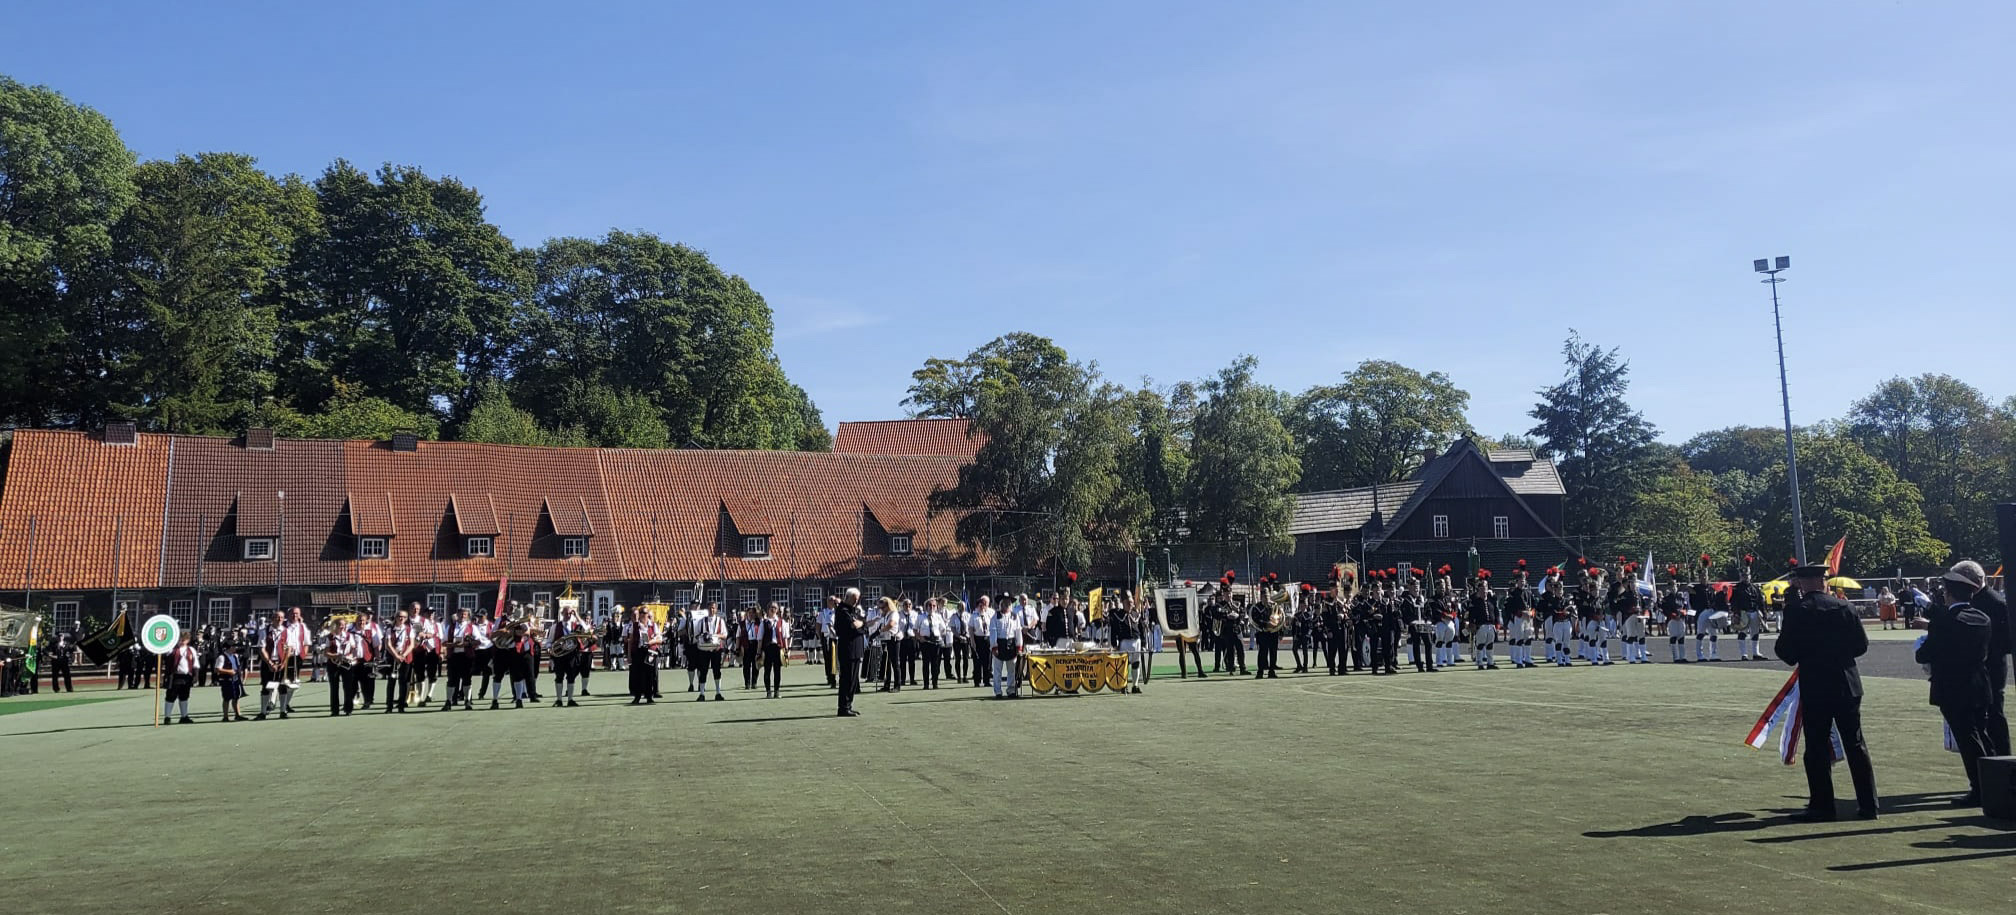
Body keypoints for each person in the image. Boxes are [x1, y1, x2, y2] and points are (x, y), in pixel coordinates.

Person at [1775, 562, 1878, 821]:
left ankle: (1822, 805)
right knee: (1856, 744)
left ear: (1801, 582)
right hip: (1847, 682)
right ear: (1825, 580)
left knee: (1817, 746)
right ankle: (1868, 804)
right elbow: (1861, 646)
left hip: (1816, 683)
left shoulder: (1797, 611)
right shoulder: (1846, 607)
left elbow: (1785, 651)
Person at [1916, 574, 1994, 806]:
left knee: (1967, 738)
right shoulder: (1982, 617)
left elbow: (1925, 654)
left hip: (1953, 686)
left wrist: (1921, 645)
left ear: (1948, 594)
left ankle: (1979, 788)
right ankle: (1992, 782)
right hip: (1979, 684)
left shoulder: (1945, 621)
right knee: (1981, 735)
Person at [1939, 560, 2009, 756]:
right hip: (1974, 671)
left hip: (1990, 669)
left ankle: (2003, 764)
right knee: (1978, 723)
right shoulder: (1975, 600)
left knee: (1994, 717)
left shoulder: (1995, 603)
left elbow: (2004, 642)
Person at [834, 588, 866, 717]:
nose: (856, 601)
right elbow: (853, 625)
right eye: (854, 598)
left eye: (857, 598)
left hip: (855, 649)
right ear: (847, 597)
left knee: (853, 680)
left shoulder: (852, 611)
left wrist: (861, 624)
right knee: (846, 678)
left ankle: (848, 705)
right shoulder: (843, 610)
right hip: (847, 649)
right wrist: (861, 624)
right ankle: (843, 707)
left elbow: (861, 626)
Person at [445, 609, 485, 710]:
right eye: (461, 614)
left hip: (466, 656)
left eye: (465, 614)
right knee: (451, 679)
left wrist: (467, 644)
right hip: (453, 656)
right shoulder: (450, 627)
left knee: (467, 679)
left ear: (467, 616)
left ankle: (467, 701)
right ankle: (448, 701)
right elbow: (444, 642)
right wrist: (453, 644)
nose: (462, 616)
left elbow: (478, 641)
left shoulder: (472, 627)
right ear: (457, 615)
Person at [989, 594, 1024, 699]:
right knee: (997, 671)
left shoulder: (1014, 616)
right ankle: (998, 691)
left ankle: (1011, 690)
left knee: (1011, 670)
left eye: (1008, 602)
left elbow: (1018, 631)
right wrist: (994, 647)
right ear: (1000, 604)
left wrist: (1019, 646)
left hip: (1011, 644)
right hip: (1000, 644)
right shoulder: (995, 617)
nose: (1007, 604)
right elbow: (993, 632)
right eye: (1004, 602)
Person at [623, 607, 659, 705]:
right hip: (638, 652)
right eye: (641, 613)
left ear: (648, 615)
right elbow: (630, 641)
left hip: (650, 652)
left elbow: (659, 639)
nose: (642, 615)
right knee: (637, 675)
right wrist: (629, 655)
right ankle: (637, 696)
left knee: (650, 675)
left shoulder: (653, 625)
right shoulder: (634, 625)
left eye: (645, 613)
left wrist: (651, 641)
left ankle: (649, 696)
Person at [162, 632, 200, 725]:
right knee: (171, 696)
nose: (182, 641)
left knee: (184, 697)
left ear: (188, 640)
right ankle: (167, 717)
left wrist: (196, 676)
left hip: (187, 677)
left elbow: (196, 664)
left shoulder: (191, 650)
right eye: (181, 639)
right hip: (174, 676)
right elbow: (164, 656)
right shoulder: (172, 650)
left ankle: (184, 716)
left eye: (184, 639)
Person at [214, 639, 246, 722]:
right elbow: (217, 669)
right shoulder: (221, 657)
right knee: (227, 698)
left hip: (235, 679)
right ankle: (225, 716)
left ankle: (237, 714)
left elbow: (237, 667)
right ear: (230, 647)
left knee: (236, 697)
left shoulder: (235, 656)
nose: (236, 648)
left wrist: (238, 674)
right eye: (234, 646)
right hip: (226, 680)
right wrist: (229, 671)